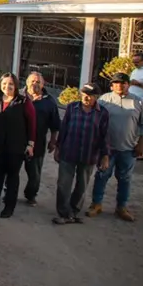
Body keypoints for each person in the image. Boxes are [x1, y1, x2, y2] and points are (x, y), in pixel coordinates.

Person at [86, 72, 143, 222]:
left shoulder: (138, 102)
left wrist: (141, 143)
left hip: (128, 149)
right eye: (116, 83)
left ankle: (121, 207)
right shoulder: (104, 100)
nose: (119, 86)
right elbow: (95, 122)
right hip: (107, 149)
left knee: (125, 179)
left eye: (123, 83)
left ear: (128, 84)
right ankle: (96, 204)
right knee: (102, 176)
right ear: (111, 85)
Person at [52, 82, 109, 225]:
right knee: (64, 184)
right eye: (84, 94)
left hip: (88, 155)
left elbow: (105, 136)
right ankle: (63, 213)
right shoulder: (72, 108)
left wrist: (105, 156)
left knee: (82, 185)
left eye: (90, 95)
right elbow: (64, 129)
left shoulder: (102, 113)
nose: (86, 97)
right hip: (68, 152)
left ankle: (74, 211)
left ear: (96, 97)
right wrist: (58, 148)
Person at [0, 73, 36, 219]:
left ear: (16, 86)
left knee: (13, 176)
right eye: (5, 83)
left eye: (11, 84)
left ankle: (8, 207)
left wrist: (30, 144)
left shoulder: (24, 101)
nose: (7, 87)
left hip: (16, 146)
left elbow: (32, 124)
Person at [21, 72, 61, 206]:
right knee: (11, 169)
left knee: (35, 173)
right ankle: (9, 192)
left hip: (37, 141)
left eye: (38, 82)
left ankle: (31, 195)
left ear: (43, 85)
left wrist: (53, 141)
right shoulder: (19, 96)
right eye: (32, 81)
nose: (35, 84)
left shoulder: (49, 101)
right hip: (16, 139)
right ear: (27, 83)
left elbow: (55, 124)